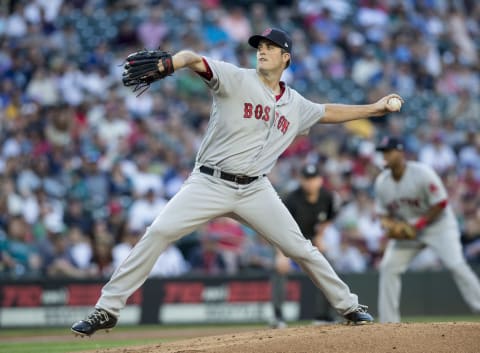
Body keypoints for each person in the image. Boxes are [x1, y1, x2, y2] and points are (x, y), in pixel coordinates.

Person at [71, 27, 402, 336]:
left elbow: (328, 111)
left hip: (255, 189)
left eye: (271, 47)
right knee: (158, 232)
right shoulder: (234, 78)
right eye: (260, 46)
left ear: (286, 57)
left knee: (300, 248)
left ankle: (348, 306)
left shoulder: (295, 104)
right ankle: (107, 308)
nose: (262, 51)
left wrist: (375, 109)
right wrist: (172, 62)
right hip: (209, 182)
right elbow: (192, 59)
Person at [373, 136, 480, 323]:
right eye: (383, 152)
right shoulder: (382, 182)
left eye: (388, 151)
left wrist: (420, 223)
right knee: (388, 267)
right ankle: (388, 322)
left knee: (456, 264)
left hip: (439, 226)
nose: (385, 156)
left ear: (400, 152)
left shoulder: (421, 173)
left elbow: (441, 203)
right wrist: (390, 226)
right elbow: (383, 215)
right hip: (409, 231)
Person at [271, 163, 338, 328]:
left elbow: (329, 218)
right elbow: (278, 226)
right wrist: (280, 254)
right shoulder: (292, 199)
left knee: (328, 267)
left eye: (313, 178)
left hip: (311, 240)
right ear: (301, 180)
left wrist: (320, 237)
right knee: (279, 271)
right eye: (307, 179)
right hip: (289, 240)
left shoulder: (327, 197)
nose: (310, 182)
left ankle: (324, 315)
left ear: (320, 180)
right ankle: (278, 316)